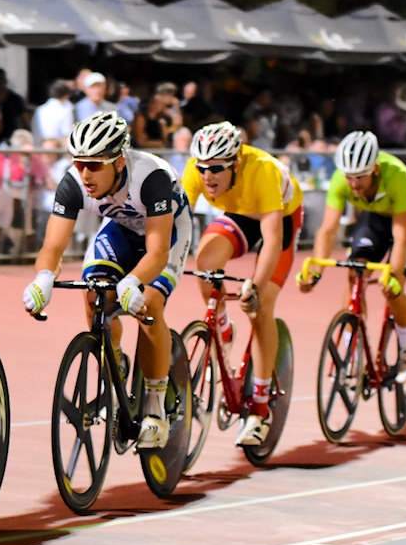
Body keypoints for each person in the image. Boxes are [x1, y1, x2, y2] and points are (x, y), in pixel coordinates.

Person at [23, 112, 193, 448]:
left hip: (167, 235)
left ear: (118, 163)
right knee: (94, 293)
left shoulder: (152, 177)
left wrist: (133, 282)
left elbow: (157, 253)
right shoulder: (73, 182)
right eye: (79, 162)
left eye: (95, 165)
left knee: (150, 306)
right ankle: (116, 359)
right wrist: (43, 277)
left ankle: (156, 409)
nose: (84, 173)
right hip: (123, 231)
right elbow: (52, 247)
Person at [181, 121, 304, 446]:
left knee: (260, 305)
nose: (207, 176)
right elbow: (173, 223)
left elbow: (273, 240)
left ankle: (260, 407)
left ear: (235, 163)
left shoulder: (261, 170)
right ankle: (222, 327)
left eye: (217, 168)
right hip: (238, 213)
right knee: (205, 264)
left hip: (278, 218)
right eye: (202, 167)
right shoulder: (196, 171)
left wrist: (255, 284)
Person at [297, 131, 406, 385]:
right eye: (349, 177)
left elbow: (401, 237)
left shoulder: (397, 177)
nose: (353, 184)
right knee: (355, 273)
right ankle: (353, 348)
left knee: (392, 288)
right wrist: (315, 272)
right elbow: (328, 229)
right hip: (374, 218)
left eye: (360, 177)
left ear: (375, 169)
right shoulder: (341, 179)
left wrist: (395, 275)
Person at [131, 81, 182, 150]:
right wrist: (161, 144)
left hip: (160, 151)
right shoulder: (141, 117)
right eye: (160, 104)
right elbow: (141, 141)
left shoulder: (163, 118)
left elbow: (177, 125)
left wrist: (176, 108)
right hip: (142, 151)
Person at [32, 80, 75, 144]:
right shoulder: (65, 111)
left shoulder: (40, 109)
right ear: (66, 96)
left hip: (41, 149)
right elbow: (66, 136)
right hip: (57, 151)